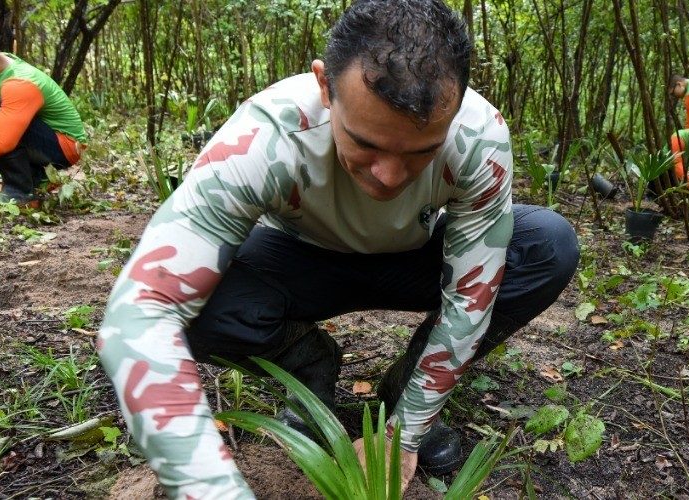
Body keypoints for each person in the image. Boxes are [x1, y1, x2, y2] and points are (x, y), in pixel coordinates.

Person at [96, 0, 579, 496]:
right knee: (198, 301)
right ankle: (309, 367)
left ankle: (404, 389)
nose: (389, 177)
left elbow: (471, 297)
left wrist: (405, 432)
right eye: (366, 143)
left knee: (546, 244)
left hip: (414, 258)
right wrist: (210, 486)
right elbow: (144, 309)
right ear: (325, 86)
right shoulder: (266, 135)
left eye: (420, 153)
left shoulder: (478, 136)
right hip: (300, 260)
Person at [0, 26, 86, 210]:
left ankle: (19, 192)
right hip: (30, 137)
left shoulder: (20, 82)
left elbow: (0, 143)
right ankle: (36, 177)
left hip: (63, 147)